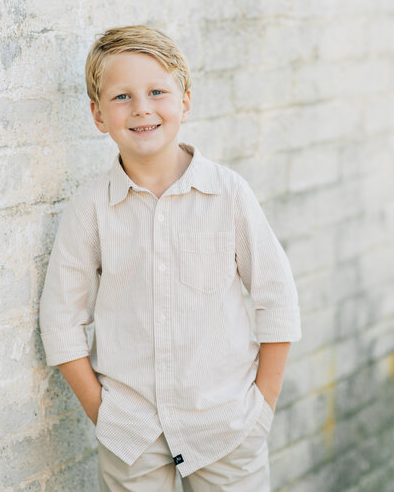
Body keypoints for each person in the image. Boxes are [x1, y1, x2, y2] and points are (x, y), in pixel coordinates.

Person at [38, 25, 301, 491]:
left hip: (226, 427)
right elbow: (61, 319)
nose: (141, 108)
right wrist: (103, 412)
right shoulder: (91, 207)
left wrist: (262, 406)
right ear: (98, 115)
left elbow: (277, 300)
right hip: (131, 435)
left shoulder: (229, 194)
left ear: (185, 101)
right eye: (122, 97)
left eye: (157, 91)